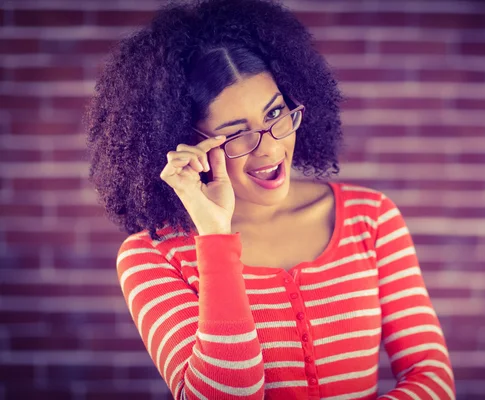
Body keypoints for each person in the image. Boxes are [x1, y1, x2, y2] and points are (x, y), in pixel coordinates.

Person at [85, 0, 455, 399]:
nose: (270, 148)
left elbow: (431, 376)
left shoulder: (372, 219)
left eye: (275, 113)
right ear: (187, 146)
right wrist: (214, 237)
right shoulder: (153, 257)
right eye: (234, 134)